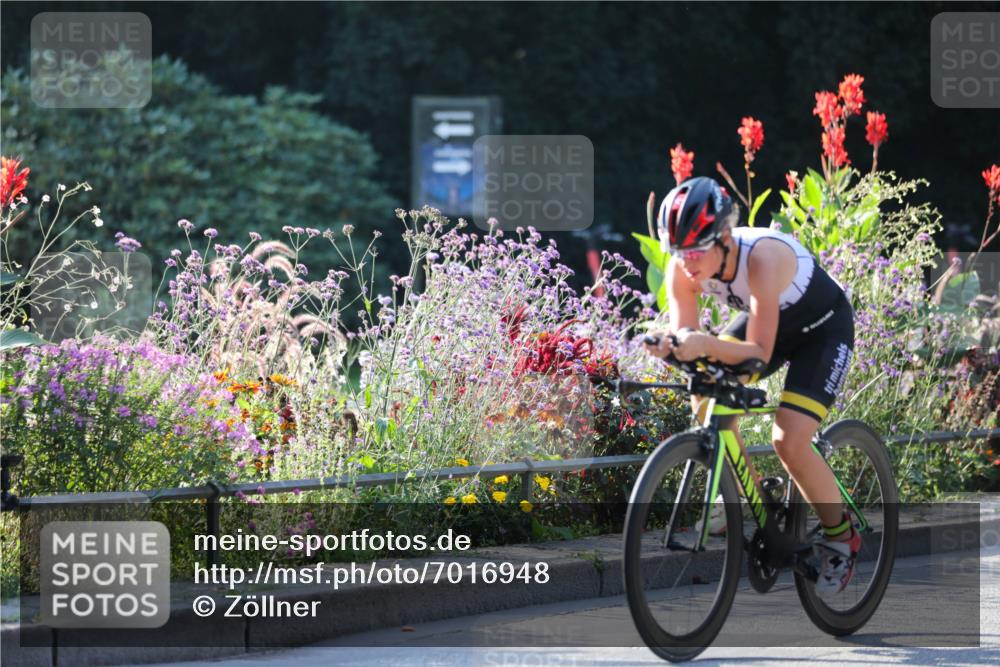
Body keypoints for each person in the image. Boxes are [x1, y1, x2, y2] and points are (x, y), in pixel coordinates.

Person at [643, 176, 860, 597]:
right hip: (771, 326)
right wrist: (672, 344)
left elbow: (757, 351)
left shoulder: (761, 258)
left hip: (822, 330)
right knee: (706, 397)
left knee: (789, 439)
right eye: (677, 253)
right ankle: (749, 495)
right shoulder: (683, 269)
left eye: (694, 250)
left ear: (724, 237)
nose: (686, 262)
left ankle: (841, 536)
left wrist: (702, 343)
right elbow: (693, 344)